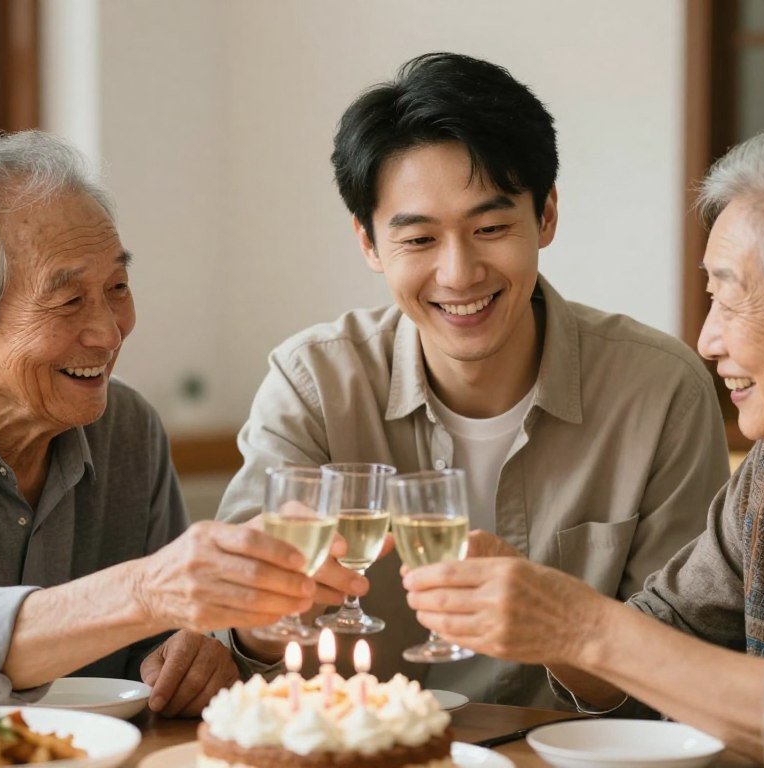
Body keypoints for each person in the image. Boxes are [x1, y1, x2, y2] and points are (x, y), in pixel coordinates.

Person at [218, 52, 730, 706]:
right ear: (369, 243)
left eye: (489, 228)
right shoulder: (313, 384)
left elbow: (683, 666)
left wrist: (562, 627)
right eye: (419, 240)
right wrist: (262, 609)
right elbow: (238, 638)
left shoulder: (659, 392)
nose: (459, 274)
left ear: (545, 216)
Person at [402, 120, 764, 761]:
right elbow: (653, 662)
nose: (706, 341)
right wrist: (547, 626)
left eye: (732, 300)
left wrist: (579, 625)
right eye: (708, 296)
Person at [0, 131, 361, 716]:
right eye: (67, 302)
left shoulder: (127, 428)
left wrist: (199, 656)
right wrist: (148, 588)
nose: (108, 332)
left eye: (117, 288)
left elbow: (161, 653)